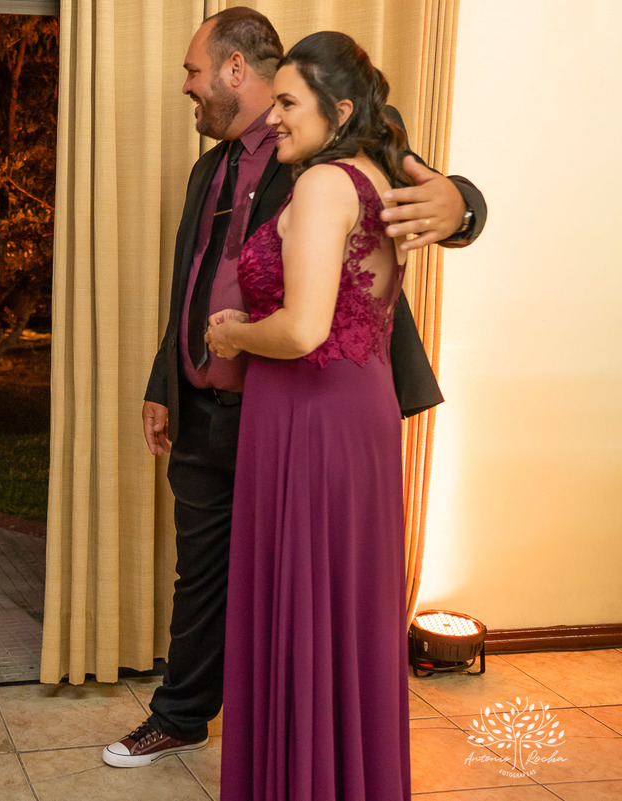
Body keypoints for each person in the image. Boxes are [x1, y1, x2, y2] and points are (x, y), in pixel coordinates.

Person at [103, 8, 486, 767]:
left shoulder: (333, 141)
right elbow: (193, 285)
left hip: (304, 406)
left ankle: (306, 747)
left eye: (192, 72)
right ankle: (182, 714)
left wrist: (464, 205)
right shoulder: (207, 170)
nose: (187, 87)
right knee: (204, 579)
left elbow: (425, 183)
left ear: (233, 71)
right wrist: (163, 380)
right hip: (208, 400)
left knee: (302, 591)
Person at [206, 30, 416, 798]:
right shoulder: (378, 178)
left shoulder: (326, 184)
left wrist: (231, 331)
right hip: (350, 414)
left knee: (305, 609)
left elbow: (302, 328)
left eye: (290, 103)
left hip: (311, 418)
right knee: (339, 618)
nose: (276, 118)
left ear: (342, 109)